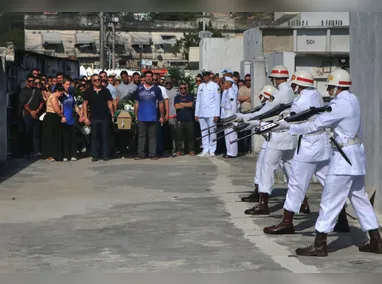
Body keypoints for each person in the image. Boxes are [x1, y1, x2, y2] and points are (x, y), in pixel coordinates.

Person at [274, 69, 382, 256]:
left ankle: (320, 243)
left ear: (336, 87)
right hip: (355, 158)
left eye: (331, 87)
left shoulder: (339, 105)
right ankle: (376, 240)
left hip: (343, 159)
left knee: (329, 201)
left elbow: (316, 124)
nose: (329, 91)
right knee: (360, 200)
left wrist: (289, 126)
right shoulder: (353, 99)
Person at [258, 70, 332, 234]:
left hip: (308, 143)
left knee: (296, 183)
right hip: (322, 142)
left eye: (295, 84)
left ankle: (287, 222)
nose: (293, 88)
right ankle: (341, 218)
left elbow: (294, 118)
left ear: (299, 84)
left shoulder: (301, 100)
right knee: (329, 181)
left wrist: (279, 122)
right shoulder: (316, 94)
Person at [233, 65, 297, 215]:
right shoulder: (291, 91)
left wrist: (245, 117)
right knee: (290, 170)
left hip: (278, 136)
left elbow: (266, 111)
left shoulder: (279, 93)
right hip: (289, 136)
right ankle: (303, 202)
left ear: (274, 78)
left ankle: (263, 203)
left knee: (267, 169)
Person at [241, 85, 277, 203]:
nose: (260, 98)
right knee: (260, 165)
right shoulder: (266, 107)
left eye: (262, 95)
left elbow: (264, 121)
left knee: (289, 170)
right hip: (269, 140)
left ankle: (302, 201)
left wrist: (248, 121)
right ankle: (259, 191)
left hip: (278, 141)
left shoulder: (272, 108)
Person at [83, 74, 114, 162]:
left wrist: (112, 115)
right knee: (94, 137)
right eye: (95, 80)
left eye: (99, 80)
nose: (97, 81)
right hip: (94, 117)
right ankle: (95, 155)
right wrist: (85, 117)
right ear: (92, 82)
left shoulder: (106, 90)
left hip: (104, 117)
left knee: (105, 136)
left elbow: (109, 103)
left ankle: (105, 155)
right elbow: (85, 104)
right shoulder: (88, 91)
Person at [134, 70, 164, 160]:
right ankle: (141, 154)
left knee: (152, 136)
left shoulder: (157, 89)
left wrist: (162, 116)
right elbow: (136, 104)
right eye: (147, 76)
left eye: (150, 76)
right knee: (141, 136)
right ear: (144, 78)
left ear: (152, 78)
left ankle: (152, 154)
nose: (148, 78)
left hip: (153, 116)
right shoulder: (139, 89)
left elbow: (161, 103)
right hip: (141, 116)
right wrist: (136, 115)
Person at [194, 70, 221, 157]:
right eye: (203, 76)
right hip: (202, 112)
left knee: (212, 131)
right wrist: (196, 113)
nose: (204, 77)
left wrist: (217, 114)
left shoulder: (215, 86)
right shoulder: (201, 86)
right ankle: (205, 149)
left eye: (206, 76)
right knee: (204, 132)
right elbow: (198, 100)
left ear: (209, 76)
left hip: (212, 112)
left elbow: (217, 101)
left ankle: (212, 149)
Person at [19, 73, 45, 158]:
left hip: (36, 114)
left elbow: (41, 102)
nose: (32, 83)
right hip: (27, 115)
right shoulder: (23, 91)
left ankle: (36, 151)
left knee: (36, 134)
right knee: (27, 134)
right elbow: (23, 104)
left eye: (33, 81)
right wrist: (31, 112)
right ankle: (27, 151)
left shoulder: (37, 91)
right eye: (30, 81)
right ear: (27, 81)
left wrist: (37, 111)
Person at [41, 84, 66, 162]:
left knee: (55, 136)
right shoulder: (53, 97)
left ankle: (55, 154)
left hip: (54, 118)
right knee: (50, 136)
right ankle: (49, 154)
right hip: (51, 117)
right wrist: (63, 116)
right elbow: (57, 110)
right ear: (57, 91)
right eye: (61, 93)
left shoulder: (56, 98)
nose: (61, 95)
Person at [61, 79, 82, 162]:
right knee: (65, 138)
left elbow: (75, 106)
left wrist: (81, 115)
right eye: (66, 84)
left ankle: (73, 154)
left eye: (69, 84)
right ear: (63, 85)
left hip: (71, 118)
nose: (68, 86)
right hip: (63, 118)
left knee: (72, 138)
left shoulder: (71, 95)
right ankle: (65, 155)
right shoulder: (61, 96)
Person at [174, 82, 195, 156]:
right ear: (179, 89)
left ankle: (191, 150)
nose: (183, 89)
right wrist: (186, 104)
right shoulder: (177, 97)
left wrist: (181, 103)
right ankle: (179, 150)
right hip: (180, 120)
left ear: (187, 88)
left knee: (190, 136)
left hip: (189, 119)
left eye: (184, 88)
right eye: (181, 88)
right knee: (179, 136)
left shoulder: (190, 96)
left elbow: (191, 105)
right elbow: (176, 106)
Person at [220, 76, 238, 158]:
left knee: (232, 135)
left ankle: (233, 153)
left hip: (230, 115)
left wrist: (233, 117)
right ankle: (229, 152)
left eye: (224, 83)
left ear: (228, 83)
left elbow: (233, 105)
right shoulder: (226, 91)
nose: (223, 85)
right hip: (226, 115)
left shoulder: (231, 92)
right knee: (227, 135)